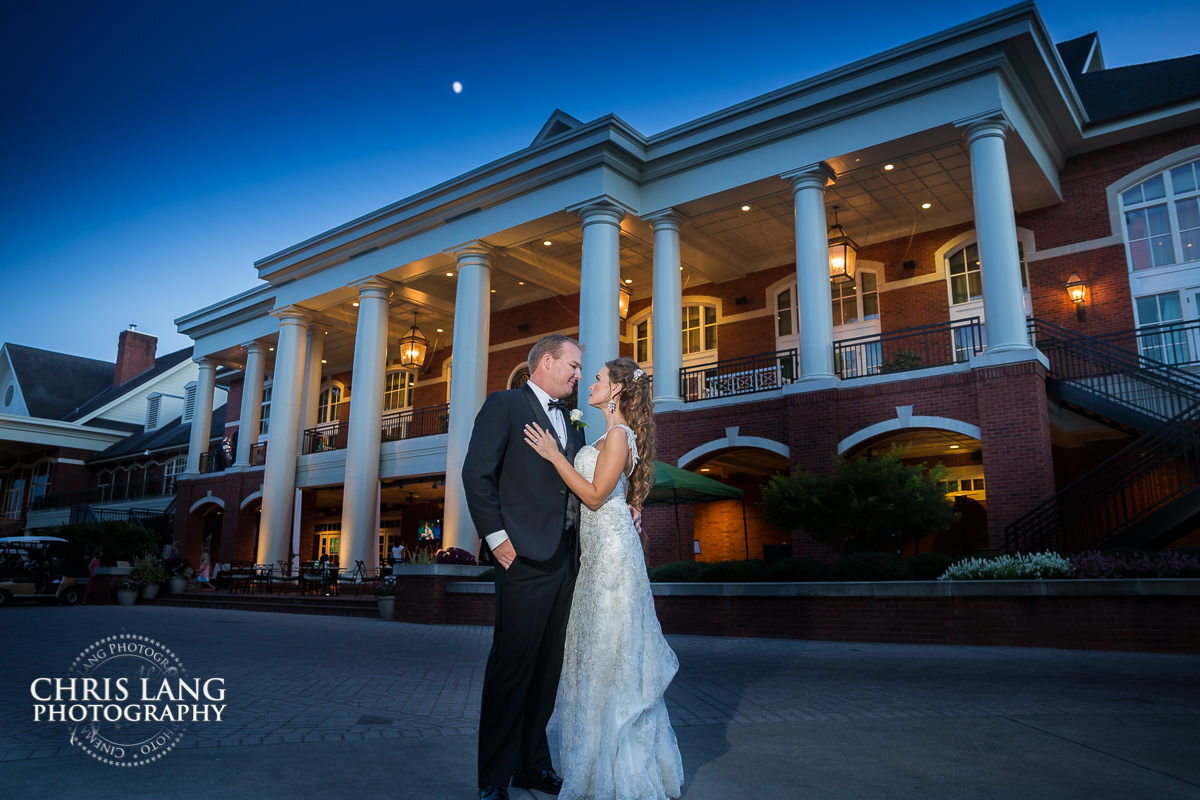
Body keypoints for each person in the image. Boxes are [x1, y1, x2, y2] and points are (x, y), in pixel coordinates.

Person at [524, 357, 684, 800]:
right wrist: (632, 505)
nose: (589, 383)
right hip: (596, 556)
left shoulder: (618, 435)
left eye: (597, 379)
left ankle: (620, 773)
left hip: (613, 559)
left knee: (611, 657)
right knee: (597, 658)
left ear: (615, 390)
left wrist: (554, 456)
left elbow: (595, 497)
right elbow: (611, 492)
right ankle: (597, 768)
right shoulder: (605, 435)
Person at [462, 334, 585, 800]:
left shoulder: (573, 421)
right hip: (522, 559)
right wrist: (497, 540)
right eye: (573, 365)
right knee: (511, 669)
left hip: (565, 560)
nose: (578, 375)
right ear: (547, 361)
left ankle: (532, 767)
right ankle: (493, 778)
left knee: (547, 670)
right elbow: (477, 474)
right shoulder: (505, 405)